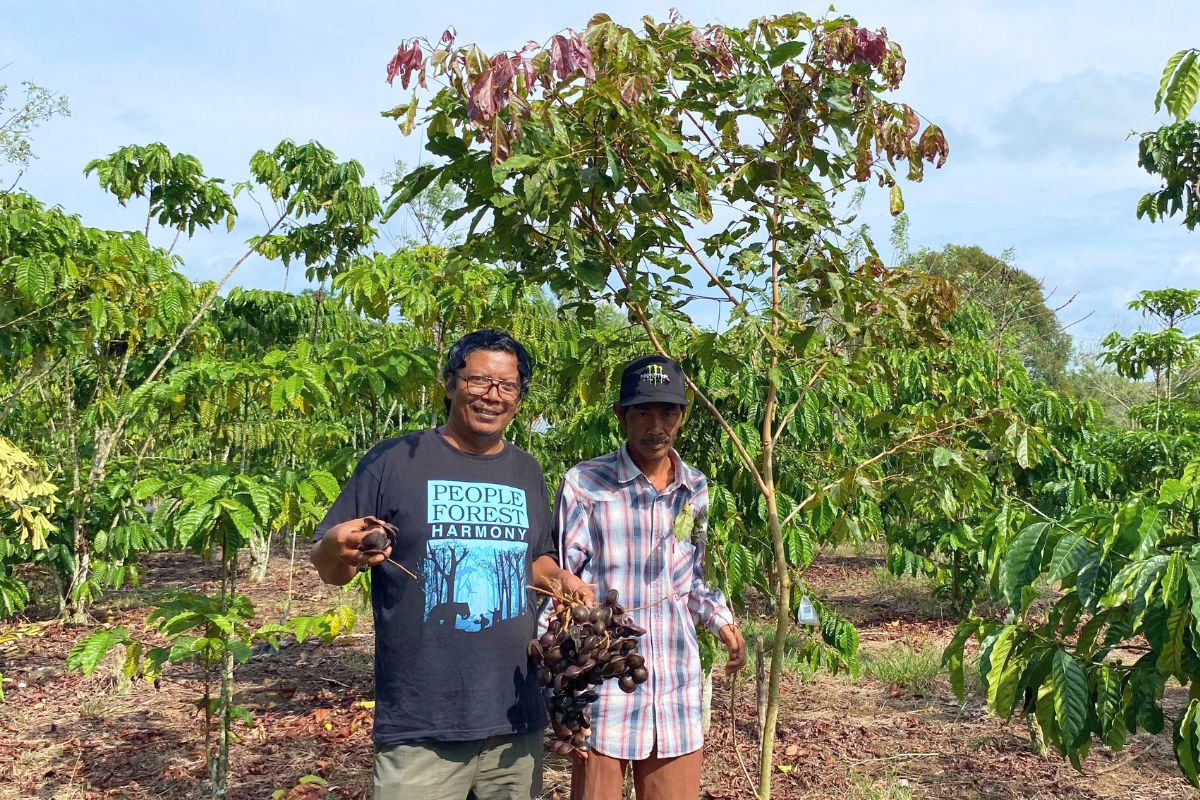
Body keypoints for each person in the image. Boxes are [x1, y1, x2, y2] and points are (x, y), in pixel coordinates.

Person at [310, 329, 589, 800]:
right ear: (450, 382)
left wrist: (560, 579)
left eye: (508, 386)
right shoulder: (394, 461)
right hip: (421, 722)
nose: (492, 396)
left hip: (514, 719)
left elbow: (534, 559)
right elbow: (330, 566)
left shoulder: (526, 470)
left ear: (520, 397)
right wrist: (336, 547)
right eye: (479, 380)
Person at [554, 354, 747, 800]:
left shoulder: (695, 487)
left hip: (674, 682)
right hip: (604, 684)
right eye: (642, 412)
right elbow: (562, 586)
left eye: (667, 411)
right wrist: (560, 682)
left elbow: (694, 577)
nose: (655, 425)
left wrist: (721, 621)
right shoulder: (586, 483)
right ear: (622, 415)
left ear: (682, 416)